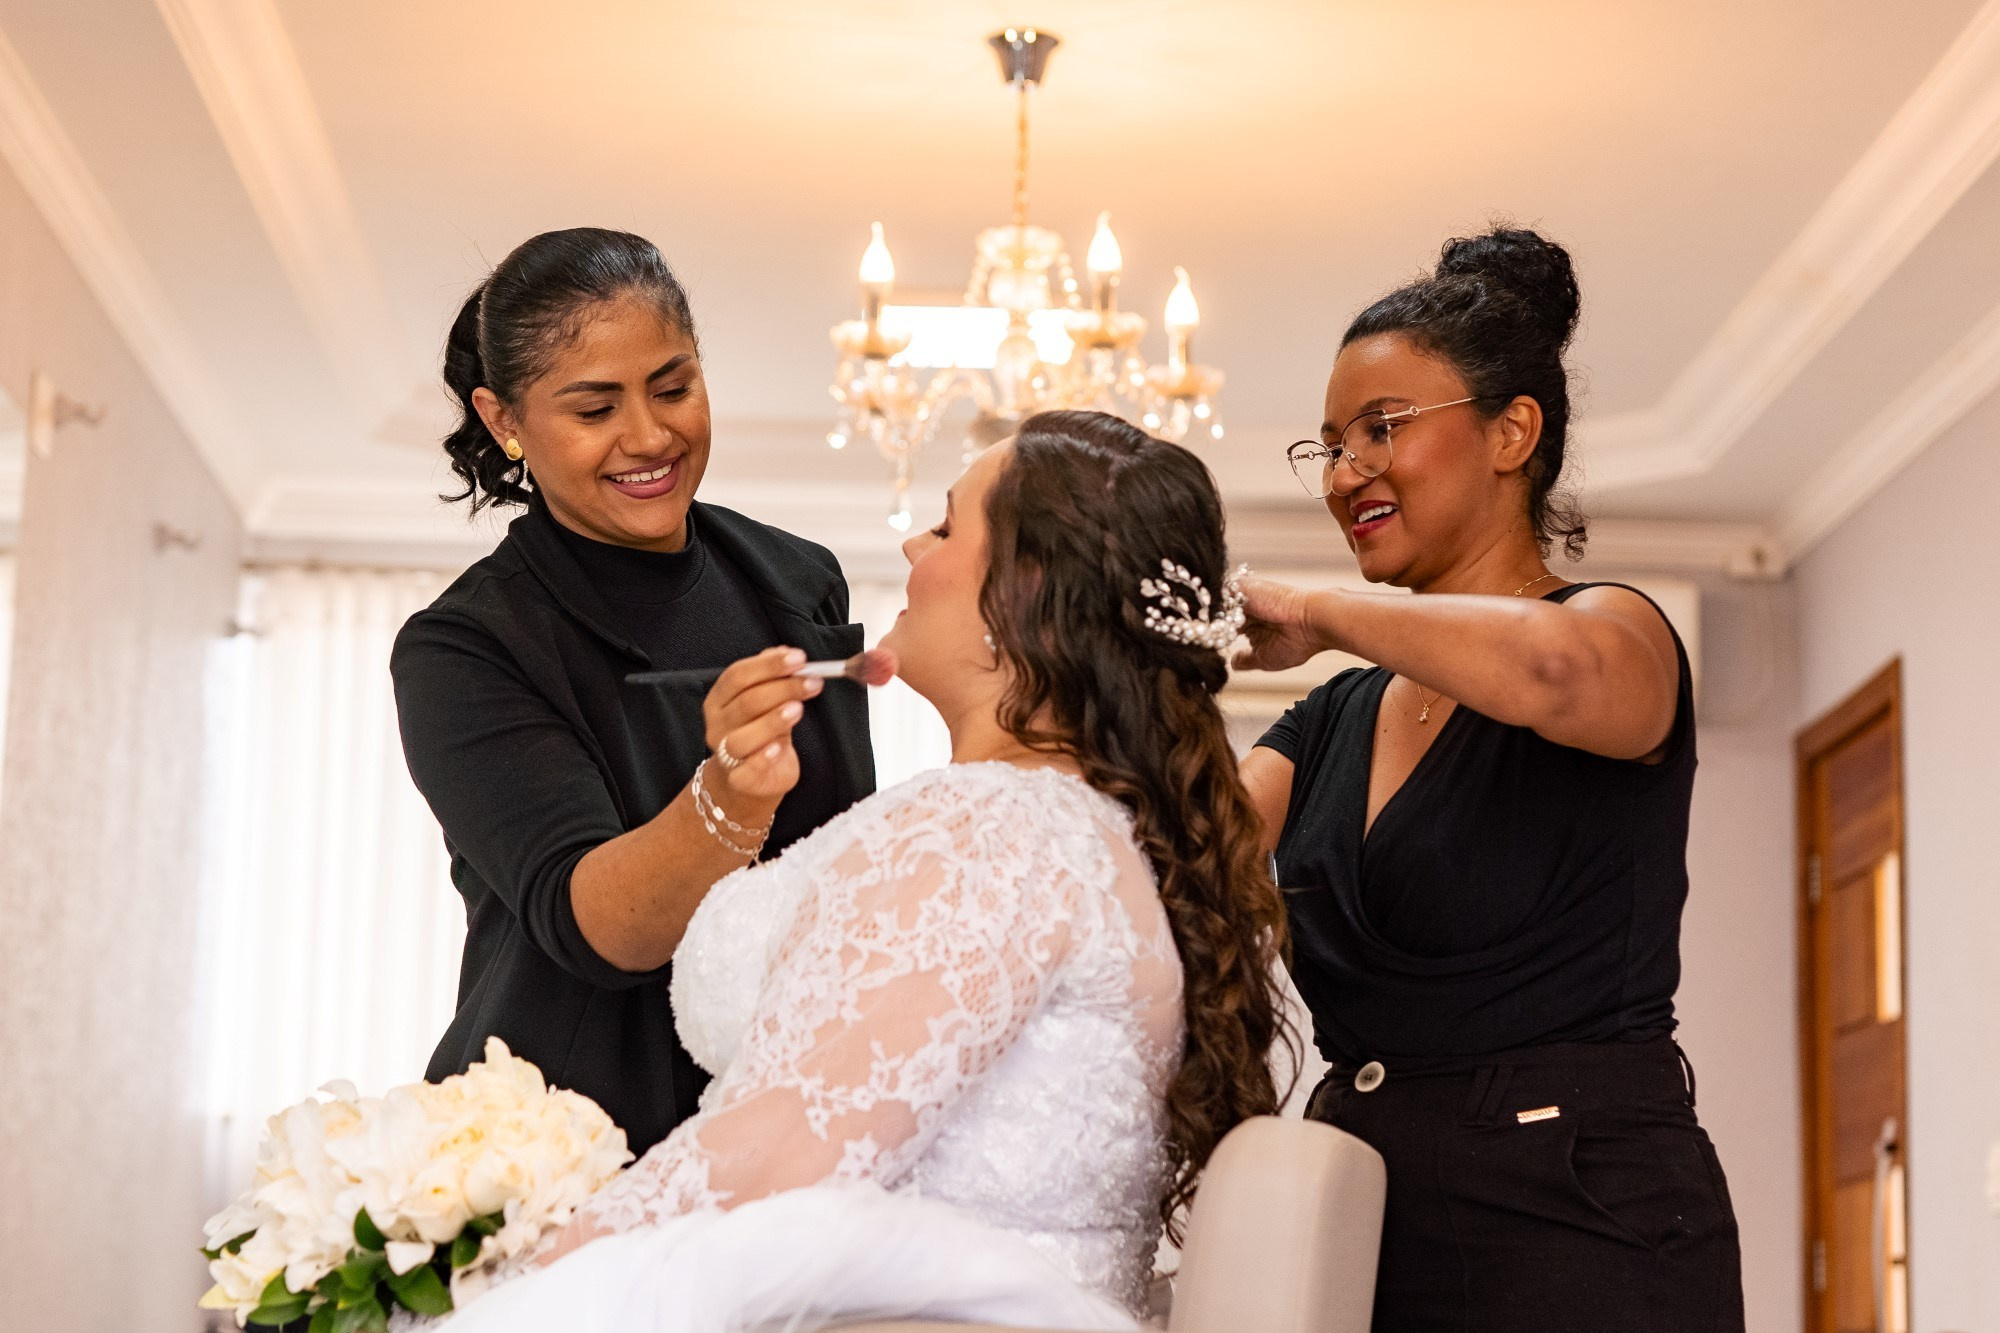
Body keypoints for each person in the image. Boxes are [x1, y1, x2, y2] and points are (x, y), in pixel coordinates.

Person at [428, 411, 1290, 1331]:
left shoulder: (985, 831)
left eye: (951, 527)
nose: (917, 541)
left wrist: (494, 1297)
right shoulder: (1097, 831)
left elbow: (769, 1163)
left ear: (1023, 597)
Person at [1235, 227, 1745, 1331]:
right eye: (1327, 444)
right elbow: (1186, 860)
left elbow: (1553, 669)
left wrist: (1320, 612)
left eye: (1381, 429)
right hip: (1356, 1219)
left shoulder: (1612, 628)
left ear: (1511, 431)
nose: (1343, 472)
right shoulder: (1327, 720)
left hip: (1581, 1216)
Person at [392, 228, 875, 1161]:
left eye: (673, 386)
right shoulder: (466, 646)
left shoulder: (796, 577)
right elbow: (602, 929)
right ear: (505, 420)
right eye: (595, 407)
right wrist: (728, 794)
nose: (650, 437)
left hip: (788, 1116)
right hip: (569, 1141)